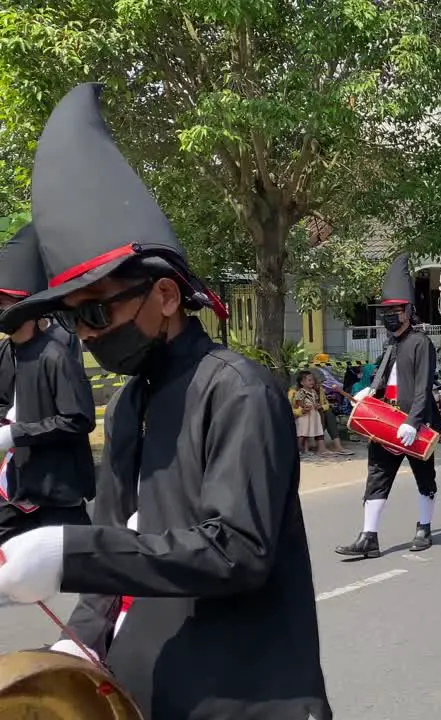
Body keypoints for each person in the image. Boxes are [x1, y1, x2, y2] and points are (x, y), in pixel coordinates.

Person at [0, 83, 329, 718]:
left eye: (97, 310)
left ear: (167, 298)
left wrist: (72, 555)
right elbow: (108, 564)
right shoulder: (128, 407)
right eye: (75, 320)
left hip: (248, 697)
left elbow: (237, 551)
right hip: (148, 696)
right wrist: (77, 651)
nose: (90, 335)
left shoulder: (239, 390)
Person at [336, 253, 441, 559]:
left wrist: (413, 421)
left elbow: (422, 387)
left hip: (414, 423)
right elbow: (383, 378)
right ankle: (369, 536)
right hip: (385, 421)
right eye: (386, 311)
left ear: (408, 311)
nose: (390, 315)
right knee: (377, 476)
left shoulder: (421, 343)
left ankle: (424, 527)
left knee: (425, 477)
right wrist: (370, 391)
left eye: (396, 310)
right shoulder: (390, 345)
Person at [0, 223, 96, 541]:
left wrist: (17, 433)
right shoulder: (5, 352)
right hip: (17, 487)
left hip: (58, 491)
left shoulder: (55, 356)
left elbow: (78, 419)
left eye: (4, 302)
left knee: (80, 572)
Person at [292, 370, 328, 455]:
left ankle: (306, 450)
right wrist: (303, 407)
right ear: (302, 382)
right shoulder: (300, 392)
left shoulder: (313, 391)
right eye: (309, 380)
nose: (312, 382)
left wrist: (318, 405)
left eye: (312, 380)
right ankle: (297, 450)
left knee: (307, 433)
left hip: (312, 414)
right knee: (302, 433)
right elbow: (297, 404)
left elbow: (315, 401)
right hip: (304, 415)